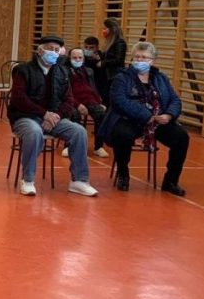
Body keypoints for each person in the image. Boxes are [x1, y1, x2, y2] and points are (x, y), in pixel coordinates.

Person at [7, 33, 98, 198]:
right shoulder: (23, 70)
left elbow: (68, 100)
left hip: (53, 117)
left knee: (79, 131)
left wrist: (55, 116)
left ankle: (79, 180)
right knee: (34, 132)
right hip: (26, 116)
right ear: (40, 51)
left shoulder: (62, 72)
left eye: (57, 50)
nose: (54, 53)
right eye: (50, 49)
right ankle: (28, 180)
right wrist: (44, 114)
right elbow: (19, 99)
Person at [98, 41, 190, 196]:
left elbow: (175, 100)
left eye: (144, 57)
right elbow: (119, 100)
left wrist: (169, 115)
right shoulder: (122, 77)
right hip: (130, 119)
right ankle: (123, 173)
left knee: (181, 137)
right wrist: (147, 116)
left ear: (152, 61)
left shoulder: (161, 78)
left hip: (158, 120)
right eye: (137, 57)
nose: (140, 60)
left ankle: (171, 181)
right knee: (122, 135)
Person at [65, 47, 109, 158]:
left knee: (101, 113)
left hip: (89, 100)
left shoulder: (89, 71)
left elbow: (93, 88)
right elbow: (64, 92)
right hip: (71, 101)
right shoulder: (64, 71)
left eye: (80, 57)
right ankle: (69, 145)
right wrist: (77, 104)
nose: (77, 60)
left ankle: (98, 147)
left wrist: (99, 102)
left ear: (83, 59)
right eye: (74, 58)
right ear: (69, 59)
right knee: (74, 114)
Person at [94, 18, 127, 104]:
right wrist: (99, 56)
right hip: (105, 75)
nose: (103, 31)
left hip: (113, 76)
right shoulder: (109, 42)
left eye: (105, 28)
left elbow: (118, 60)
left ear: (111, 29)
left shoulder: (120, 43)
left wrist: (103, 63)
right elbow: (108, 57)